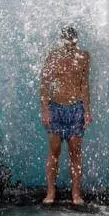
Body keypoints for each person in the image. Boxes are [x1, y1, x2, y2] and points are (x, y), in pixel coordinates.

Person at [40, 25, 93, 205]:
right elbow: (44, 83)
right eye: (67, 41)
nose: (70, 44)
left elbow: (84, 84)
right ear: (62, 41)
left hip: (76, 107)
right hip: (56, 107)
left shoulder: (84, 57)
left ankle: (76, 194)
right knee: (54, 151)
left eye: (73, 41)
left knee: (75, 153)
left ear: (76, 40)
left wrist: (87, 110)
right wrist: (45, 109)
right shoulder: (53, 56)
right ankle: (51, 192)